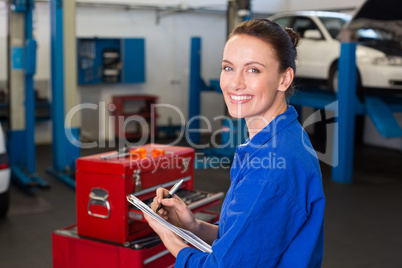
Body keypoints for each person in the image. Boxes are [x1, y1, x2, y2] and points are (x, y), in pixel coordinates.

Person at [143, 19, 325, 267]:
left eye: (253, 70)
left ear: (284, 79)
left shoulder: (269, 169)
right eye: (228, 68)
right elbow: (250, 242)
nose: (235, 83)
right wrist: (193, 226)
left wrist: (169, 236)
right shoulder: (283, 136)